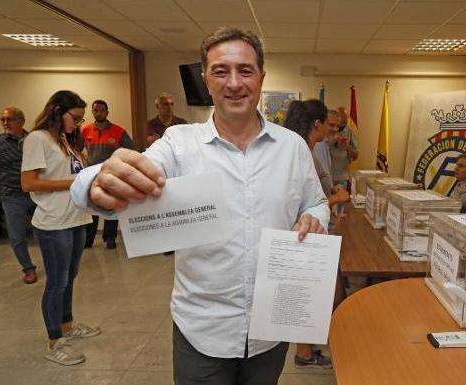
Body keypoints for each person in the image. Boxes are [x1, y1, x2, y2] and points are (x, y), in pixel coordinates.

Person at [71, 27, 329, 385]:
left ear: (261, 78)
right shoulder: (178, 143)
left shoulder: (293, 147)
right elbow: (127, 177)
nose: (234, 83)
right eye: (221, 71)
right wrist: (96, 181)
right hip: (202, 330)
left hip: (272, 327)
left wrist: (314, 217)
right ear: (206, 80)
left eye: (246, 70)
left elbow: (316, 202)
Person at [21, 90, 101, 366]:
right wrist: (71, 182)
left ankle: (67, 325)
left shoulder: (66, 140)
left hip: (76, 218)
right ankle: (55, 342)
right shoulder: (37, 139)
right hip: (53, 223)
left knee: (71, 276)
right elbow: (29, 183)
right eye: (75, 118)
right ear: (57, 111)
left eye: (81, 119)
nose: (78, 123)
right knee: (56, 282)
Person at [284, 99, 349, 369]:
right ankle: (306, 351)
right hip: (306, 235)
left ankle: (308, 349)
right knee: (316, 292)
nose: (332, 131)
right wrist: (337, 199)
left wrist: (331, 195)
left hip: (317, 233)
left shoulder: (309, 149)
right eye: (329, 125)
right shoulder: (299, 152)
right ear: (317, 124)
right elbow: (303, 204)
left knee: (326, 290)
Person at [0, 107, 38, 284]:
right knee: (17, 236)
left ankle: (53, 263)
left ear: (22, 121)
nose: (6, 123)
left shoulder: (34, 140)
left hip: (36, 193)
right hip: (12, 195)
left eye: (10, 119)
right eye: (3, 120)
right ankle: (28, 268)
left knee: (44, 231)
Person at [81, 100, 135, 249]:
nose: (99, 113)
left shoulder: (118, 131)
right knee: (92, 208)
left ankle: (110, 238)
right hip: (91, 177)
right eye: (96, 110)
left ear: (107, 112)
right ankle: (88, 239)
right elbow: (76, 150)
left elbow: (131, 151)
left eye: (102, 110)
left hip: (112, 176)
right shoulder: (85, 131)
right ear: (93, 112)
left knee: (111, 206)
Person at [329, 107, 358, 189]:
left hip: (341, 177)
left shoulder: (350, 131)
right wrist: (332, 141)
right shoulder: (326, 129)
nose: (340, 126)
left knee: (341, 200)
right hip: (326, 175)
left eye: (344, 123)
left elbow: (356, 156)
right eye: (339, 122)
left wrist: (347, 147)